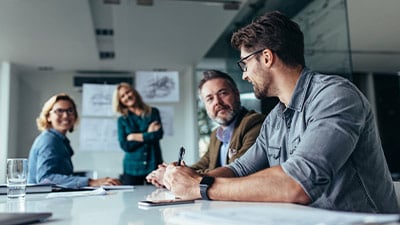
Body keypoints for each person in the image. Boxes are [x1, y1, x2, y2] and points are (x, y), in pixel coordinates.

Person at [163, 11, 399, 213]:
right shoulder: (275, 118)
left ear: (266, 57)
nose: (244, 74)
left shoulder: (335, 96)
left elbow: (298, 183)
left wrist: (200, 186)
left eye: (245, 64)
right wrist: (186, 181)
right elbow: (240, 168)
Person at [146, 70, 265, 187]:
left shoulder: (253, 123)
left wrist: (174, 176)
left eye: (223, 93)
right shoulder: (216, 135)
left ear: (236, 94)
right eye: (210, 99)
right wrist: (170, 172)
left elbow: (237, 170)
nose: (217, 102)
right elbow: (201, 165)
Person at [28, 93, 121, 189]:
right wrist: (91, 182)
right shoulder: (49, 140)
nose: (65, 115)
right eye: (59, 111)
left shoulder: (59, 140)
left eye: (70, 110)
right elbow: (45, 178)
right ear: (48, 116)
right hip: (42, 202)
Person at [113, 82, 164, 185]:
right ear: (120, 101)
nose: (127, 96)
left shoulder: (153, 112)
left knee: (157, 197)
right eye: (122, 96)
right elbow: (125, 145)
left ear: (134, 92)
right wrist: (148, 133)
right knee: (130, 199)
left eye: (128, 92)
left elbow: (158, 135)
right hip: (132, 169)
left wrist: (133, 136)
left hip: (153, 164)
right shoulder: (122, 120)